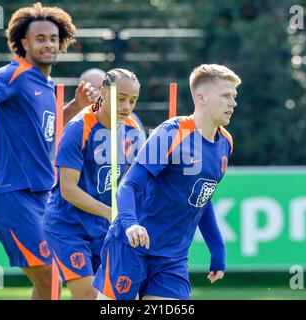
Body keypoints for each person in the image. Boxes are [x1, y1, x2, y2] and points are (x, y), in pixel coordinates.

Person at [0, 2, 97, 300]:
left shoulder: (46, 82)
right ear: (24, 42)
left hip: (43, 195)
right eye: (40, 38)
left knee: (51, 281)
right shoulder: (13, 73)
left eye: (53, 39)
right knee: (48, 276)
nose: (48, 44)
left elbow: (47, 130)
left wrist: (75, 107)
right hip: (13, 195)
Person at [92, 64, 241, 300]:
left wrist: (217, 248)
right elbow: (128, 185)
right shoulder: (172, 133)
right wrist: (131, 224)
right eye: (225, 95)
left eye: (234, 96)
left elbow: (201, 198)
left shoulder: (226, 143)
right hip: (131, 246)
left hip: (172, 257)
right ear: (201, 98)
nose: (233, 103)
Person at [43, 68, 141, 299]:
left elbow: (129, 181)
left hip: (103, 226)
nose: (127, 106)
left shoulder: (132, 130)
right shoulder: (79, 128)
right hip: (67, 226)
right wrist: (111, 212)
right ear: (104, 94)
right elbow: (68, 189)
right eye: (121, 99)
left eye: (133, 101)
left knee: (116, 294)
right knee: (88, 295)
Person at [78, 68, 147, 145]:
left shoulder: (132, 123)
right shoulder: (76, 125)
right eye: (91, 88)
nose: (97, 92)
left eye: (100, 87)